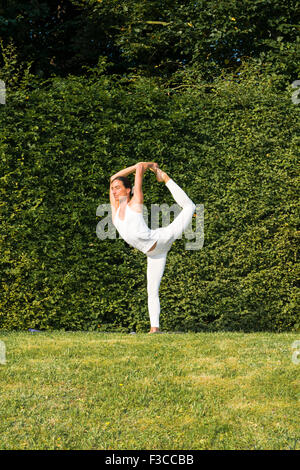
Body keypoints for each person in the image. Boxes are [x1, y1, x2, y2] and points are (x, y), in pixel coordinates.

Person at [110, 162, 196, 334]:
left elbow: (141, 168)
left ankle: (165, 178)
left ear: (128, 190)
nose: (114, 190)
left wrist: (148, 166)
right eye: (113, 188)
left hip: (162, 239)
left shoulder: (136, 202)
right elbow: (113, 177)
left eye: (118, 188)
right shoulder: (115, 208)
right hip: (154, 254)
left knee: (190, 207)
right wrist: (138, 166)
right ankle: (154, 329)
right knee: (152, 289)